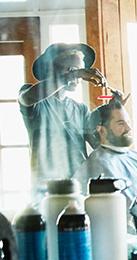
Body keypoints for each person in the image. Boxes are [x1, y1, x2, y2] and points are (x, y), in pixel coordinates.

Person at [18, 43, 123, 191]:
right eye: (72, 70)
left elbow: (99, 145)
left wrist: (115, 111)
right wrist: (73, 75)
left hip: (80, 186)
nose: (78, 77)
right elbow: (27, 98)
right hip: (47, 189)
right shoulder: (35, 100)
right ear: (52, 71)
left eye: (81, 71)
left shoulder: (80, 109)